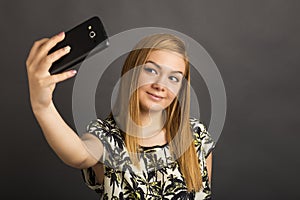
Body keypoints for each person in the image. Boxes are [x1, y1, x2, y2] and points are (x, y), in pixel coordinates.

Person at [26, 32, 215, 199]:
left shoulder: (196, 135)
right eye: (151, 70)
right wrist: (43, 107)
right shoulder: (108, 137)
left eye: (173, 78)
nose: (160, 84)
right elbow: (79, 155)